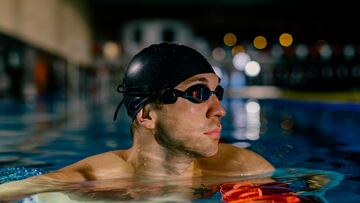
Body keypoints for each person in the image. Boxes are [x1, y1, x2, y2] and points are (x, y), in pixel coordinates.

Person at [0, 43, 274, 201]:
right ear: (146, 115)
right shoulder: (87, 183)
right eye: (198, 93)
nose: (219, 110)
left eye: (218, 92)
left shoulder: (245, 170)